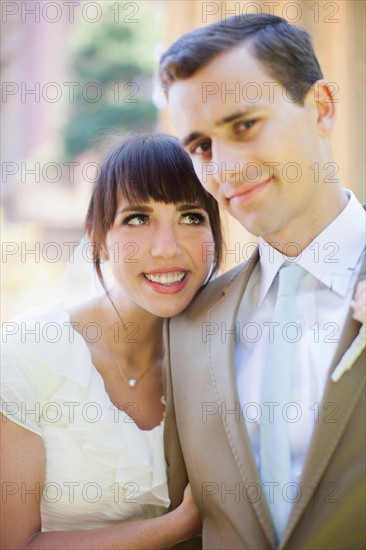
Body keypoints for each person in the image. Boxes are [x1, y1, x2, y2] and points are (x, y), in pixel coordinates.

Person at [159, 13, 366, 550]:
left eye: (244, 125)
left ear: (320, 106)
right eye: (202, 146)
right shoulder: (188, 324)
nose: (224, 167)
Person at [0, 134, 223, 549]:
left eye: (191, 217)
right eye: (137, 219)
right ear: (98, 237)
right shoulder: (28, 353)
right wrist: (181, 524)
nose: (167, 248)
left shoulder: (222, 353)